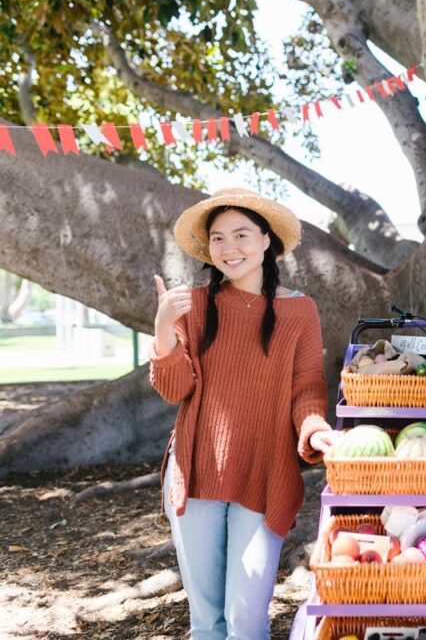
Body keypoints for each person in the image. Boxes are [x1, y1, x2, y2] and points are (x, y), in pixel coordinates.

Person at [150, 187, 339, 639]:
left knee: (246, 617)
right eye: (217, 238)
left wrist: (314, 429)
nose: (229, 248)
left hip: (265, 470)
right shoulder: (191, 305)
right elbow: (176, 388)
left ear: (266, 240)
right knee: (207, 620)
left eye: (241, 235)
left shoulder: (299, 311)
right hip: (197, 471)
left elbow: (308, 386)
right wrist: (162, 330)